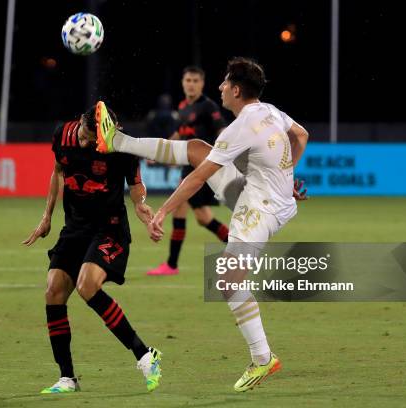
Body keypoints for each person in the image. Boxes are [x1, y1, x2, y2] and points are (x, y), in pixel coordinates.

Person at [93, 57, 309, 392]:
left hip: (259, 209)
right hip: (265, 196)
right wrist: (287, 174)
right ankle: (117, 141)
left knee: (227, 279)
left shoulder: (240, 127)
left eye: (225, 83)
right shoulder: (270, 111)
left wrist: (163, 211)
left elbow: (198, 179)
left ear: (236, 90)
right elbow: (301, 134)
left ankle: (263, 358)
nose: (220, 87)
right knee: (196, 149)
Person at [23, 105, 163, 394]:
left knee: (88, 285)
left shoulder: (119, 144)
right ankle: (67, 378)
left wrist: (140, 205)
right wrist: (46, 216)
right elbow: (57, 171)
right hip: (75, 227)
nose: (90, 143)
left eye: (96, 137)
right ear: (80, 124)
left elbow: (135, 185)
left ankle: (145, 355)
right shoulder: (62, 133)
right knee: (53, 291)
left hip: (109, 228)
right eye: (88, 135)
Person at [147, 66, 230, 277]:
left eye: (195, 80)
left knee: (181, 208)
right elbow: (177, 135)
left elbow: (222, 132)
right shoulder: (183, 107)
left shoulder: (208, 106)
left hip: (204, 167)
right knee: (203, 217)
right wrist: (158, 152)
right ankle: (240, 249)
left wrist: (223, 156)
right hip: (189, 166)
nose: (191, 84)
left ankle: (171, 265)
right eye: (188, 80)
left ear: (202, 84)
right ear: (183, 83)